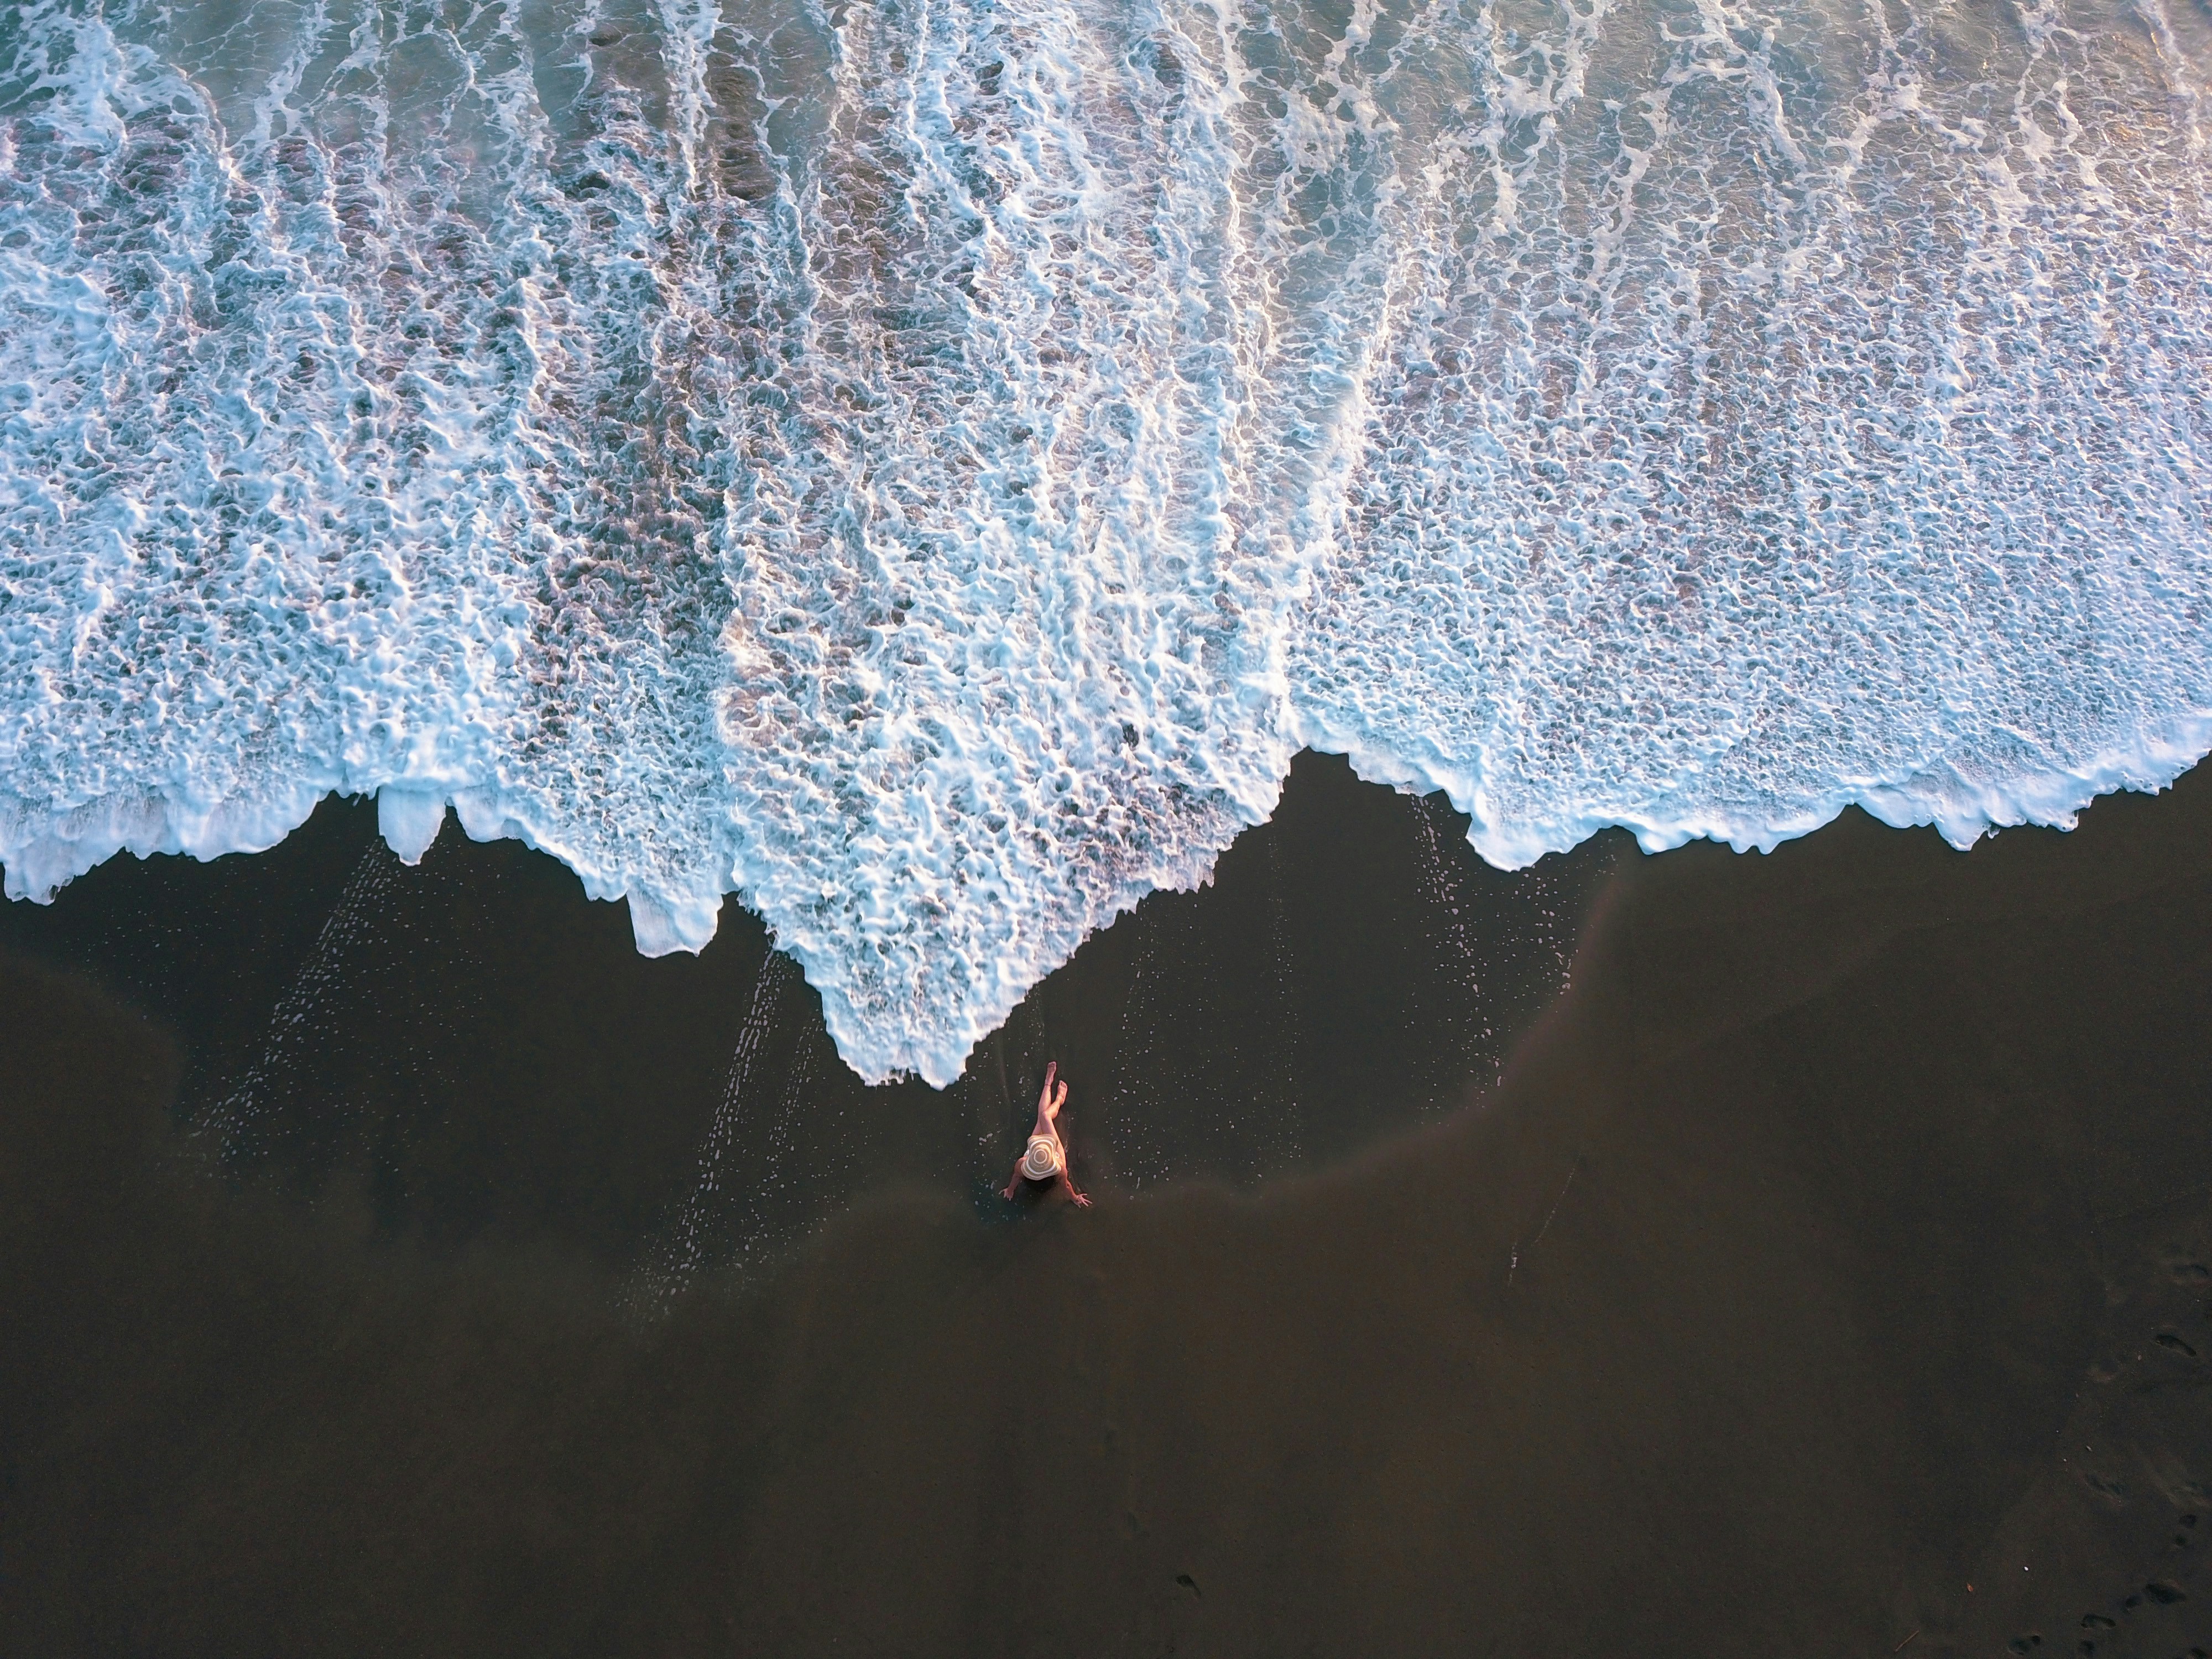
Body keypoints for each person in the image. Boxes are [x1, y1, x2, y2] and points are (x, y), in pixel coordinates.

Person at [1001, 1061, 1091, 1207]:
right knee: (1044, 1117)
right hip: (1054, 1161)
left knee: (1041, 1118)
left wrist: (1010, 1190)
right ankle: (1059, 1100)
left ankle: (1048, 1083)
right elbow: (1066, 1185)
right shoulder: (1060, 1166)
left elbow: (1017, 1177)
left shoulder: (1022, 1164)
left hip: (1038, 1163)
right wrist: (1075, 1198)